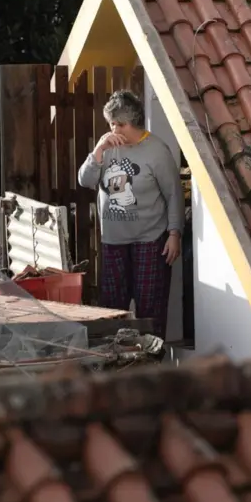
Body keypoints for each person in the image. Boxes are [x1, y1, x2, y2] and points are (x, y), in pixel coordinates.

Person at [77, 89, 183, 338]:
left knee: (151, 310)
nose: (111, 129)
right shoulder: (107, 144)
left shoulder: (157, 151)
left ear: (126, 124)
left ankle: (153, 367)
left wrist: (174, 233)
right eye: (110, 124)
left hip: (150, 240)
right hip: (113, 241)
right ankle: (115, 366)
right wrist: (99, 151)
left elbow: (173, 194)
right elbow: (84, 180)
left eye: (115, 124)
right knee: (113, 309)